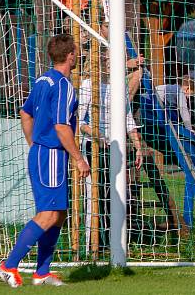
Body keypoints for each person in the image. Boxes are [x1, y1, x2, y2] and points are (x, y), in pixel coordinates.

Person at [0, 34, 91, 287]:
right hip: (50, 154)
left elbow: (25, 113)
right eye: (77, 52)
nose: (78, 55)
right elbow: (61, 127)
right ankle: (8, 265)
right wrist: (79, 159)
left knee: (58, 214)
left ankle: (42, 272)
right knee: (48, 214)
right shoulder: (62, 85)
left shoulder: (42, 79)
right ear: (70, 55)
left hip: (43, 152)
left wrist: (33, 143)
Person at [78, 49, 186, 242]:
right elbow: (79, 121)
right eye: (107, 60)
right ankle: (93, 244)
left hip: (115, 147)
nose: (110, 64)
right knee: (96, 194)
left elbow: (128, 120)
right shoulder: (88, 85)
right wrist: (97, 135)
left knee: (117, 194)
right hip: (93, 147)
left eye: (112, 61)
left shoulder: (119, 87)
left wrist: (138, 147)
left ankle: (116, 240)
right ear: (99, 63)